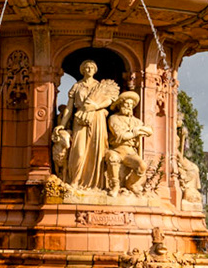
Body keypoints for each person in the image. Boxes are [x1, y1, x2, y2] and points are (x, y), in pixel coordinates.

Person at [57, 59, 118, 188]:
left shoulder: (99, 86)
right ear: (82, 70)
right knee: (78, 152)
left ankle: (96, 185)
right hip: (80, 118)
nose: (89, 69)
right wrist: (62, 124)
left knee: (96, 151)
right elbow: (69, 108)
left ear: (95, 70)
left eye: (92, 67)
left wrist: (96, 106)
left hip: (97, 118)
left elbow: (109, 100)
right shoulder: (77, 86)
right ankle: (74, 181)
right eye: (87, 67)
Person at [105, 92, 152, 192]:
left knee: (142, 166)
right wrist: (136, 132)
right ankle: (115, 186)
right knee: (113, 158)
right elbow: (122, 136)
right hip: (117, 149)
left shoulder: (136, 121)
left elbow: (149, 131)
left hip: (130, 152)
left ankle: (130, 184)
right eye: (126, 104)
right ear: (120, 105)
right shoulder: (114, 118)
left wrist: (138, 129)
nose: (129, 106)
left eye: (131, 104)